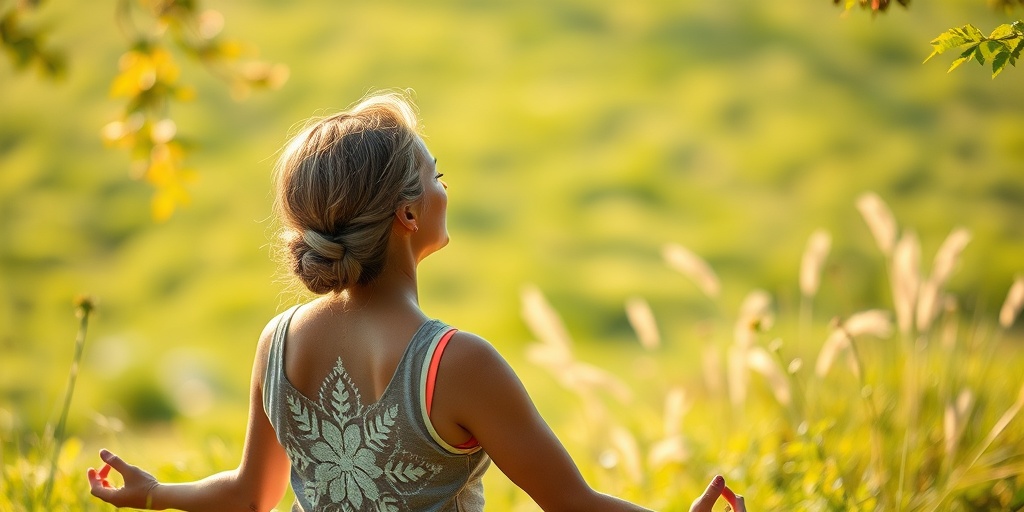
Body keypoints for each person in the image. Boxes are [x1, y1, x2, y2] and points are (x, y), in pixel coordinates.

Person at [86, 92, 747, 512]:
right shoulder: (458, 364)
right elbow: (572, 503)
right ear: (407, 212)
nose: (444, 187)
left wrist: (155, 494)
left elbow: (249, 494)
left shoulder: (280, 340)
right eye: (435, 175)